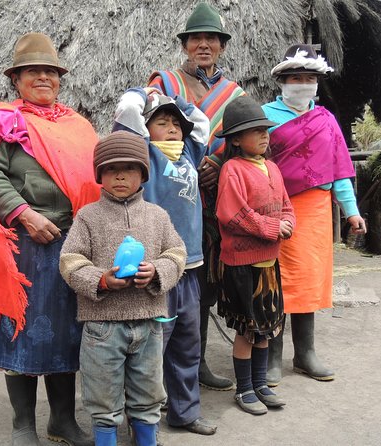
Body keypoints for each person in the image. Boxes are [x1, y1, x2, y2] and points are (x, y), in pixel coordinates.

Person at [0, 32, 99, 446]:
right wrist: (26, 214)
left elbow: (94, 178)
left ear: (59, 79)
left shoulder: (78, 126)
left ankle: (62, 421)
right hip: (23, 247)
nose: (42, 78)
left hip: (71, 244)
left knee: (67, 333)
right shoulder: (5, 123)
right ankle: (23, 425)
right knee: (20, 331)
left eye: (49, 72)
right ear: (16, 80)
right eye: (32, 72)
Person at [59, 131, 187, 446]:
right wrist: (100, 279)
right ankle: (106, 439)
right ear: (99, 174)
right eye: (111, 169)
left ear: (142, 174)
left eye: (129, 168)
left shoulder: (157, 217)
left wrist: (157, 271)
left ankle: (146, 439)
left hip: (148, 323)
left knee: (148, 392)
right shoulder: (88, 217)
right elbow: (70, 260)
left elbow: (177, 253)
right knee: (102, 396)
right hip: (102, 327)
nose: (119, 175)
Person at [148, 0, 244, 393]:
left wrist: (218, 166)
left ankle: (197, 360)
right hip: (170, 192)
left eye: (211, 39)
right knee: (165, 271)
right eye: (196, 38)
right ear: (185, 44)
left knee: (200, 277)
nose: (204, 44)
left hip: (211, 195)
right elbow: (147, 126)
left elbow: (239, 138)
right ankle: (155, 368)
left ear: (221, 45)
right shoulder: (166, 83)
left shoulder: (233, 92)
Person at [113, 88, 218, 435]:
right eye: (162, 122)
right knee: (149, 352)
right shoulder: (144, 157)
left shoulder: (188, 153)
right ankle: (143, 421)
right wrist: (145, 92)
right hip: (155, 273)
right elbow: (128, 110)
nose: (172, 128)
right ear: (147, 128)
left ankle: (185, 413)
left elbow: (201, 122)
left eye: (176, 124)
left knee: (187, 348)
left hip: (189, 270)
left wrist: (180, 103)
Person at [261, 44, 367, 386]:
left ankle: (305, 354)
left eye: (309, 77)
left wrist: (351, 212)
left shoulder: (326, 120)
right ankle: (272, 356)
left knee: (306, 280)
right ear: (282, 81)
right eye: (296, 77)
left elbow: (339, 171)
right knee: (276, 281)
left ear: (318, 83)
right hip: (277, 209)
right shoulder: (264, 116)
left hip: (317, 212)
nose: (303, 83)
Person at [214, 96, 294, 415]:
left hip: (269, 265)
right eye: (254, 130)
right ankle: (244, 388)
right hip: (242, 265)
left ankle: (260, 383)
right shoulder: (233, 170)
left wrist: (288, 222)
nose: (263, 135)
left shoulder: (273, 168)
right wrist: (274, 228)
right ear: (235, 139)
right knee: (248, 330)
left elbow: (287, 205)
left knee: (267, 328)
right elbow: (233, 214)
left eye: (265, 129)